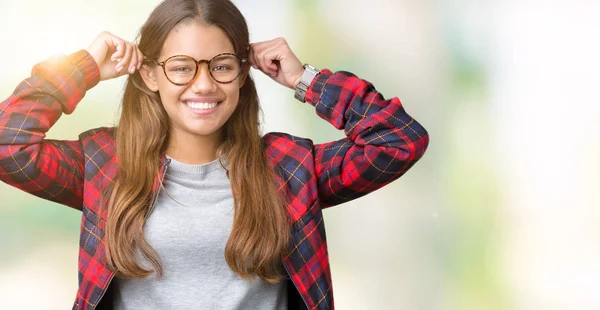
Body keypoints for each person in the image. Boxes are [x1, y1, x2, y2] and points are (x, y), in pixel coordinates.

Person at [0, 0, 429, 309]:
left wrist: (306, 80)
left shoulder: (289, 169)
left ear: (243, 72)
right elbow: (8, 144)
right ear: (150, 74)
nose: (204, 85)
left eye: (221, 65)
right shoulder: (105, 164)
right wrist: (85, 67)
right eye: (182, 67)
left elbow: (398, 140)